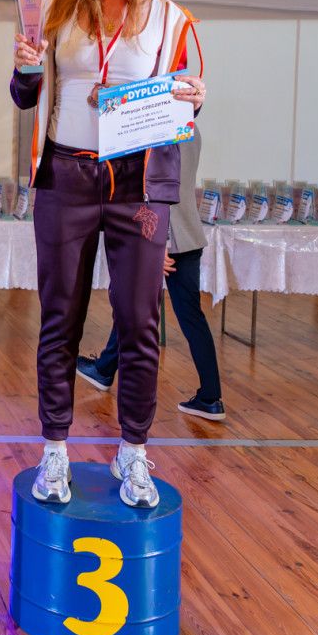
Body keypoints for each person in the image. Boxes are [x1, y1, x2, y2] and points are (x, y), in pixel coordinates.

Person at [11, 0, 206, 508]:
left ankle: (134, 452)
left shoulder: (173, 20)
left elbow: (187, 101)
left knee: (139, 321)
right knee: (59, 318)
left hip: (137, 182)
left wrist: (195, 98)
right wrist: (26, 69)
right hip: (65, 177)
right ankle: (54, 449)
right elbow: (24, 96)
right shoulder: (55, 10)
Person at [77, 127, 226, 420]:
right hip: (186, 233)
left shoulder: (159, 126)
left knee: (139, 308)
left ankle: (210, 397)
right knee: (147, 309)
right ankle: (106, 368)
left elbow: (158, 189)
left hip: (162, 236)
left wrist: (161, 243)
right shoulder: (190, 127)